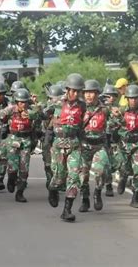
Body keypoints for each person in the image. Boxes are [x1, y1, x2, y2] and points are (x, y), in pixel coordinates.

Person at [44, 73, 86, 222]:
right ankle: (52, 189)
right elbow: (41, 112)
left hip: (74, 145)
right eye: (72, 90)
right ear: (67, 90)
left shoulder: (83, 106)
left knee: (74, 177)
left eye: (78, 91)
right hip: (58, 146)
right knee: (59, 177)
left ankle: (67, 210)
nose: (75, 94)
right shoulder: (57, 103)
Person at [78, 80, 118, 212]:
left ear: (97, 94)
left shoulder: (104, 109)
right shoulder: (80, 108)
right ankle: (85, 199)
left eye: (92, 92)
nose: (89, 95)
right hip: (83, 145)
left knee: (100, 172)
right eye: (86, 93)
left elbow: (117, 123)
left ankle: (97, 193)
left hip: (99, 145)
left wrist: (117, 116)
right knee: (83, 176)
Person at [0, 88, 42, 203]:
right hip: (13, 140)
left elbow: (41, 116)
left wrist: (35, 107)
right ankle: (11, 179)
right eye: (20, 102)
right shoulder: (11, 109)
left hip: (26, 141)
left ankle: (20, 192)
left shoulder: (31, 111)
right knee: (12, 168)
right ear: (16, 102)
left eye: (25, 102)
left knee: (24, 169)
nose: (23, 104)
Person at [41, 84, 64, 190]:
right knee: (48, 163)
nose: (51, 100)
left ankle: (60, 181)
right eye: (50, 98)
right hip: (48, 137)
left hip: (60, 138)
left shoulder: (64, 108)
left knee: (62, 162)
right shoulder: (47, 109)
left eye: (53, 98)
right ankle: (50, 180)